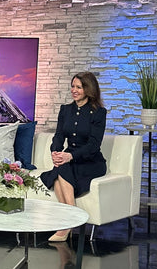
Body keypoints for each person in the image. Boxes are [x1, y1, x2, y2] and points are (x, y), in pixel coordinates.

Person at [40, 71, 107, 242]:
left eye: (78, 87)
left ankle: (68, 222)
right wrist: (55, 151)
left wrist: (70, 156)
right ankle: (71, 217)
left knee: (60, 171)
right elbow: (59, 135)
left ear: (88, 89)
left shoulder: (99, 112)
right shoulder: (65, 110)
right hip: (68, 160)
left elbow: (94, 145)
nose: (74, 90)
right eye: (72, 86)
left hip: (91, 161)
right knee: (61, 167)